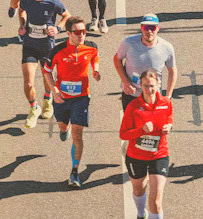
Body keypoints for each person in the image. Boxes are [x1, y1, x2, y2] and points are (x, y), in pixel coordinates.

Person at [119, 68, 174, 219]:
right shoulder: (134, 106)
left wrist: (169, 126)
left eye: (152, 86)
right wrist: (141, 130)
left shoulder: (166, 103)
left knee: (157, 200)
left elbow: (169, 118)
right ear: (140, 86)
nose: (149, 90)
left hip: (160, 153)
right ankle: (140, 215)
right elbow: (123, 134)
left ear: (158, 85)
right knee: (138, 188)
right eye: (145, 86)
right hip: (137, 156)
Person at [43, 16, 100, 188]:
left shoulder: (91, 47)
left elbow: (95, 58)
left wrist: (96, 71)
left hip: (82, 97)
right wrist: (55, 90)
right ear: (68, 33)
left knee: (77, 133)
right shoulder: (57, 50)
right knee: (63, 125)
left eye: (84, 31)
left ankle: (74, 171)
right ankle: (63, 127)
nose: (81, 35)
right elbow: (47, 72)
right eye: (77, 32)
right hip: (62, 97)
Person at [10, 0, 71, 128]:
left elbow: (67, 16)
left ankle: (48, 99)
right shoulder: (27, 1)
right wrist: (23, 24)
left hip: (47, 48)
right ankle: (34, 108)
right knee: (28, 83)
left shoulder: (53, 3)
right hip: (29, 46)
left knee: (47, 78)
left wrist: (57, 28)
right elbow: (21, 10)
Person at [113, 13, 176, 111]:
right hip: (131, 95)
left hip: (153, 96)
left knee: (153, 126)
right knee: (131, 126)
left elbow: (172, 70)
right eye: (146, 27)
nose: (149, 31)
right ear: (141, 28)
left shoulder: (167, 47)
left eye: (153, 28)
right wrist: (126, 82)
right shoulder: (128, 43)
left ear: (158, 28)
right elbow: (117, 59)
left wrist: (168, 96)